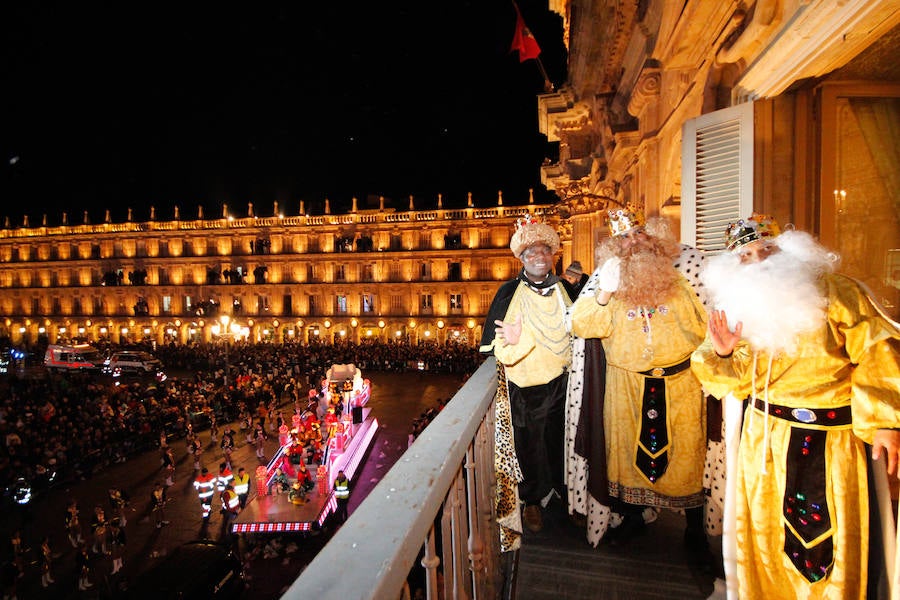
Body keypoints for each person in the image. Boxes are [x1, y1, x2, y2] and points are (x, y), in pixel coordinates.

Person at [691, 214, 900, 599]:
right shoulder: (738, 306)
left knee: (829, 541)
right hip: (764, 441)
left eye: (766, 249)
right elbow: (721, 374)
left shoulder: (836, 292)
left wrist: (886, 421)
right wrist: (722, 353)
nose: (758, 259)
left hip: (832, 440)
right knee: (765, 531)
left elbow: (877, 351)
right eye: (746, 255)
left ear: (789, 251)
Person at [568, 209, 709, 550]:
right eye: (625, 238)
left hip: (681, 387)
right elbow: (582, 324)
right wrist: (604, 293)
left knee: (688, 458)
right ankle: (633, 519)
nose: (634, 242)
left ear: (654, 236)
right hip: (625, 386)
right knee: (627, 456)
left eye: (639, 233)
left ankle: (695, 533)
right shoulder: (608, 285)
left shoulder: (680, 282)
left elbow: (705, 329)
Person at [479, 215, 573, 549]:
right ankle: (531, 500)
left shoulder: (565, 289)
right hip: (526, 383)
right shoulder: (509, 292)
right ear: (521, 258)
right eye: (531, 252)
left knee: (561, 441)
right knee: (529, 444)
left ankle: (563, 493)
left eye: (544, 251)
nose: (538, 256)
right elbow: (498, 349)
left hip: (563, 379)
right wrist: (514, 341)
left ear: (553, 256)